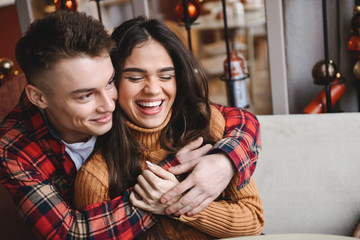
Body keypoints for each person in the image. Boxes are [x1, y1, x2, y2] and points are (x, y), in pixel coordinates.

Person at [0, 11, 261, 239]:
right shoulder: (14, 148)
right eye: (85, 95)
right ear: (39, 97)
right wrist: (171, 181)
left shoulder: (137, 109)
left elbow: (235, 119)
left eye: (109, 82)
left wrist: (225, 158)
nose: (108, 105)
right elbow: (70, 235)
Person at [74, 16, 264, 239]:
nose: (153, 89)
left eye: (166, 76)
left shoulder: (207, 123)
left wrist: (174, 204)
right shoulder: (96, 177)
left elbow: (253, 219)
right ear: (112, 82)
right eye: (135, 78)